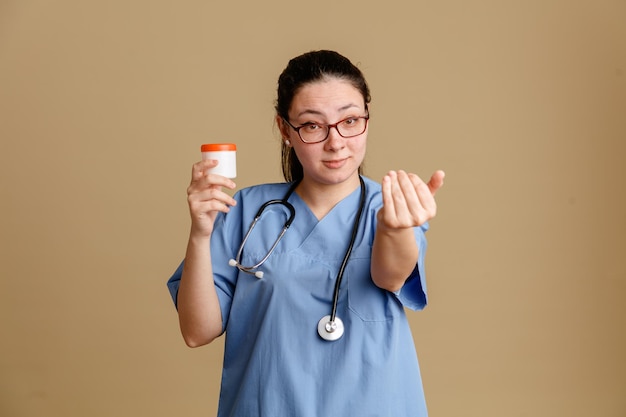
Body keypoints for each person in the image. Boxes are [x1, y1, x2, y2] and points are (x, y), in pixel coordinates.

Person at [167, 49, 445, 417]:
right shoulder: (246, 210)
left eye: (350, 121)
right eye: (313, 125)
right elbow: (197, 332)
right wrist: (201, 233)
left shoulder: (393, 205)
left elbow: (391, 275)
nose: (336, 142)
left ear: (366, 119)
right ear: (285, 130)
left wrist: (394, 228)